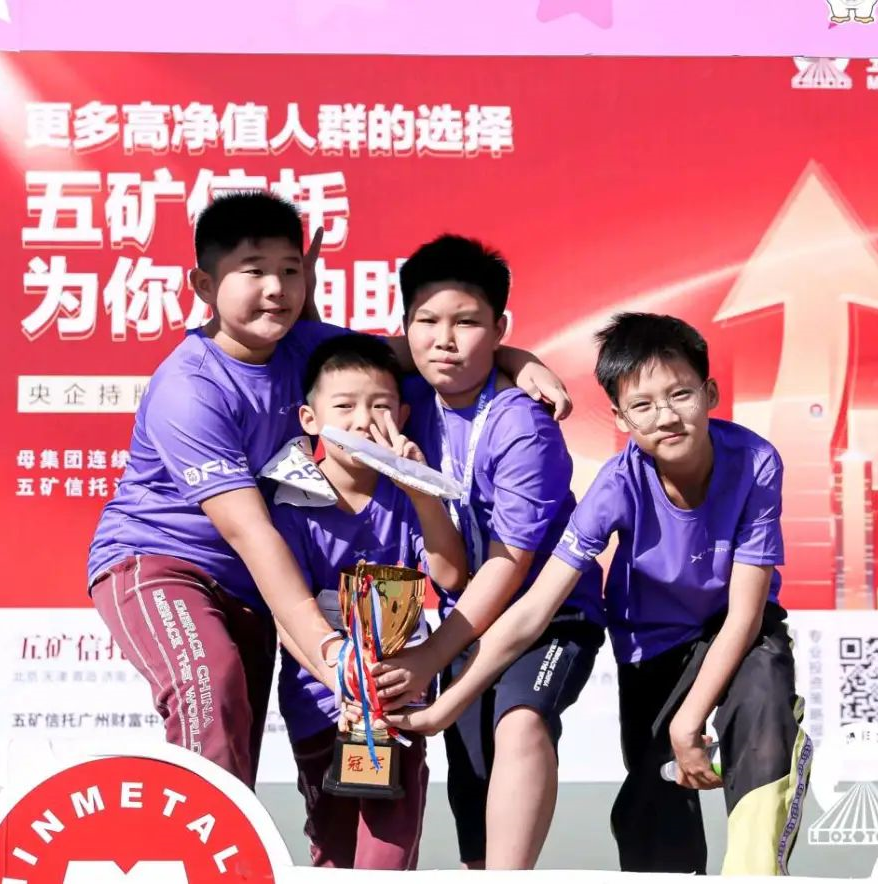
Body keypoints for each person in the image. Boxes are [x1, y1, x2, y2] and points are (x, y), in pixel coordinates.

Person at [86, 191, 572, 787]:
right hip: (162, 562)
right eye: (254, 271)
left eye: (290, 271)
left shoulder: (309, 348)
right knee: (210, 692)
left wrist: (521, 361)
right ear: (204, 285)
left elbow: (431, 352)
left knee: (234, 733)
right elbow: (251, 531)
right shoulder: (189, 388)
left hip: (251, 583)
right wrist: (331, 652)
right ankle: (192, 843)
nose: (276, 289)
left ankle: (231, 840)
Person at [389, 312, 812, 876]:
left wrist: (689, 720)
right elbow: (533, 610)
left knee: (764, 706)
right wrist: (446, 705)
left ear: (709, 394)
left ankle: (756, 873)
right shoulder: (616, 484)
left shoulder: (756, 462)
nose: (666, 416)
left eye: (680, 394)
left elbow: (744, 614)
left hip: (736, 628)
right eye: (643, 405)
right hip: (652, 646)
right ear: (620, 418)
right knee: (654, 807)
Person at [371, 235, 607, 870]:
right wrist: (517, 356)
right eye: (427, 321)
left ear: (500, 328)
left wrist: (430, 656)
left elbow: (508, 566)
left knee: (522, 719)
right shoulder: (401, 396)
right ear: (405, 327)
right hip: (460, 614)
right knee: (473, 782)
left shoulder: (524, 425)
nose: (445, 340)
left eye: (468, 323)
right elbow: (329, 362)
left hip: (548, 615)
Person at [272, 333, 466, 870]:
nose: (362, 422)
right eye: (344, 407)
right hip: (320, 704)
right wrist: (341, 678)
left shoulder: (408, 497)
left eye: (380, 407)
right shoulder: (288, 504)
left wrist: (421, 490)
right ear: (310, 419)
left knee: (388, 855)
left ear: (402, 417)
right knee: (333, 853)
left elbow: (452, 576)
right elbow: (286, 613)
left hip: (399, 702)